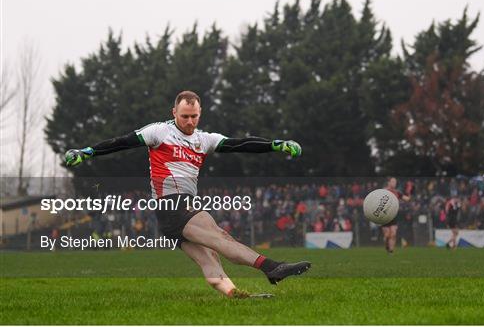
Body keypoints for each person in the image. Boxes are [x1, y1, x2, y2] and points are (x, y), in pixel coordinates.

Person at [64, 90, 311, 298]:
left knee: (209, 259)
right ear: (174, 112)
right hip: (172, 205)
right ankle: (272, 267)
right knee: (220, 237)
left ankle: (236, 296)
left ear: (200, 113)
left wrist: (275, 145)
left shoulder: (204, 139)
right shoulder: (159, 132)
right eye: (184, 116)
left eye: (194, 116)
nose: (190, 122)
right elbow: (121, 142)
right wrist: (87, 152)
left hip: (171, 217)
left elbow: (240, 144)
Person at [381, 177, 410, 254]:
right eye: (393, 181)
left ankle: (391, 251)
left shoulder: (397, 192)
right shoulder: (383, 191)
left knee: (393, 234)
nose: (394, 183)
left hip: (394, 215)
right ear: (389, 182)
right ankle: (387, 246)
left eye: (395, 182)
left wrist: (409, 191)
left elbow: (407, 199)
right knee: (387, 235)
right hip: (384, 216)